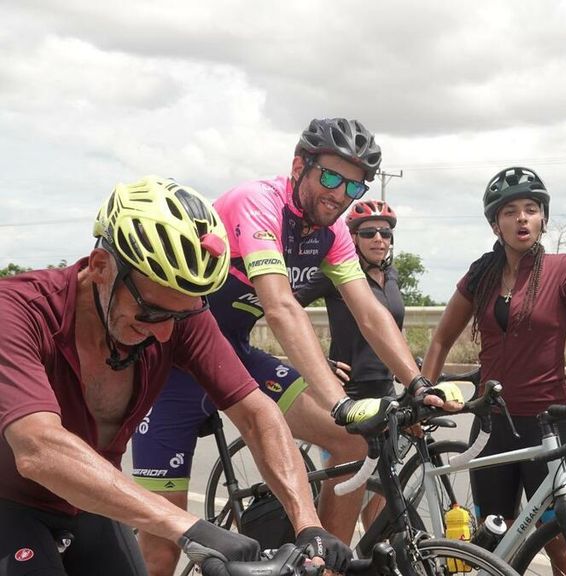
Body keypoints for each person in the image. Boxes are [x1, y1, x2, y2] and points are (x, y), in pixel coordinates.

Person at [131, 119, 455, 575]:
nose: (340, 194)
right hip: (172, 367)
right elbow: (281, 307)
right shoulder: (258, 203)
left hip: (232, 357)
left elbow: (369, 312)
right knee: (161, 551)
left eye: (354, 186)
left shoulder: (332, 233)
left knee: (351, 444)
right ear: (299, 166)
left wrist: (417, 383)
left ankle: (324, 566)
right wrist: (340, 402)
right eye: (331, 177)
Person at [0, 176, 350, 575]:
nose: (166, 333)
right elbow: (38, 448)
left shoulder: (177, 311)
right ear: (100, 267)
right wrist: (189, 528)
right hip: (9, 502)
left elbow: (256, 414)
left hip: (87, 500)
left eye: (180, 316)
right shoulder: (17, 311)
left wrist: (308, 522)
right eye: (152, 312)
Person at [421, 166, 566, 574]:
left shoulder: (563, 270)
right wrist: (423, 391)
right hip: (491, 425)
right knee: (495, 542)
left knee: (559, 541)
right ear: (496, 224)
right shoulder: (481, 274)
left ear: (543, 218)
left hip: (550, 423)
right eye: (510, 212)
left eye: (531, 209)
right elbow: (440, 340)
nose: (522, 218)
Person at [294, 199, 404, 525]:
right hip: (347, 395)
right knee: (345, 499)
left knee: (381, 501)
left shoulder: (392, 275)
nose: (379, 239)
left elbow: (389, 329)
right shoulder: (337, 274)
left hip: (385, 391)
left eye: (385, 233)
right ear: (353, 238)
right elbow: (288, 306)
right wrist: (319, 361)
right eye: (369, 233)